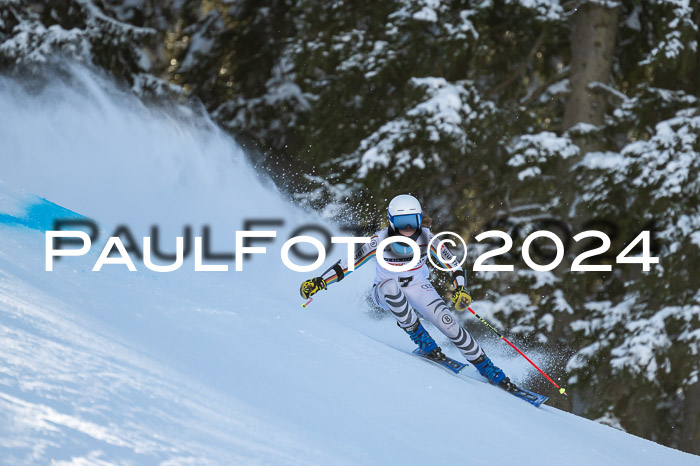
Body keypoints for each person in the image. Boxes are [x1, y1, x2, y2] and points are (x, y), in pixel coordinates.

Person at [299, 194, 514, 389]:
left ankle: (488, 368)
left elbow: (453, 265)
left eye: (413, 221)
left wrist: (460, 289)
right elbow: (349, 263)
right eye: (402, 222)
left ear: (420, 219)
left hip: (418, 286)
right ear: (392, 222)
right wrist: (321, 281)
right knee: (393, 289)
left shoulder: (427, 238)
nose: (408, 228)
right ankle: (421, 337)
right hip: (384, 290)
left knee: (448, 323)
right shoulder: (380, 240)